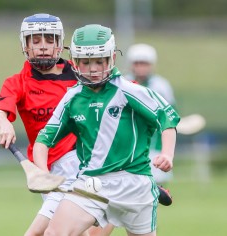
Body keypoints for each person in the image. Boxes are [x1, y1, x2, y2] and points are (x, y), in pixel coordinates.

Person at [33, 24, 180, 236]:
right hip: (92, 183)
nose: (92, 69)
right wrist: (42, 172)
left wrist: (167, 154)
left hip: (135, 183)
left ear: (111, 58)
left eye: (99, 61)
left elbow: (167, 118)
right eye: (85, 62)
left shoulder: (130, 90)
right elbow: (44, 140)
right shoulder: (72, 98)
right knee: (54, 233)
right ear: (75, 61)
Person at [0, 13, 112, 236]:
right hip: (46, 169)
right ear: (25, 45)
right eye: (36, 41)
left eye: (50, 40)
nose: (43, 47)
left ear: (60, 43)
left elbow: (122, 91)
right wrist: (4, 124)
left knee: (42, 232)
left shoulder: (81, 73)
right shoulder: (18, 82)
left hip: (82, 161)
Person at [125, 44, 176, 192]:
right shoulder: (123, 83)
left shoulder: (161, 86)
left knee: (157, 191)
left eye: (145, 64)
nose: (141, 68)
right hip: (130, 149)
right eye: (137, 63)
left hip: (156, 148)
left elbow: (170, 115)